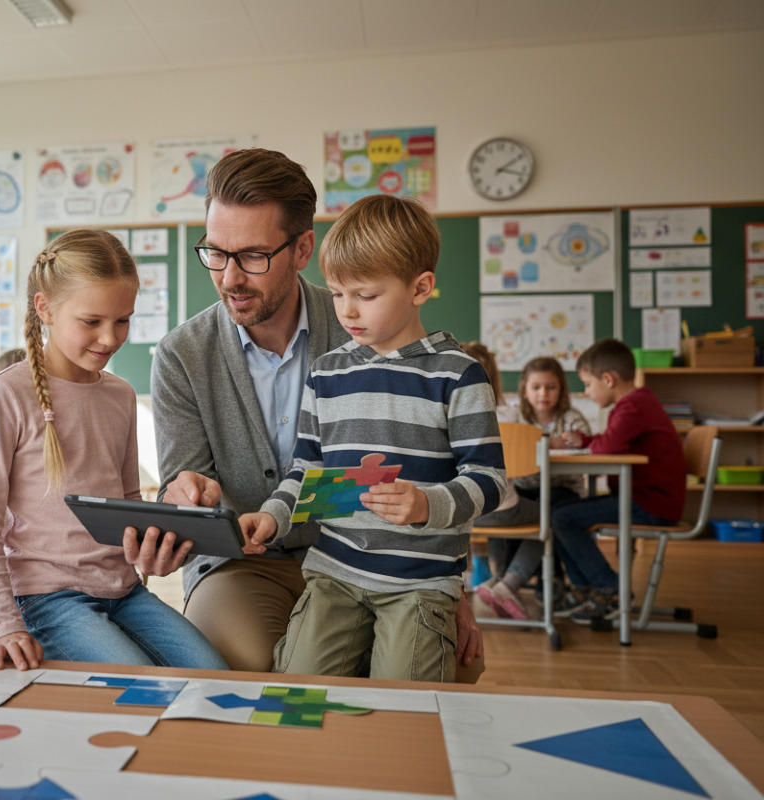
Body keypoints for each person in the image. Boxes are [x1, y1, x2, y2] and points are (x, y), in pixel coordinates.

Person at [133, 147, 486, 678]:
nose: (230, 277)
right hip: (242, 564)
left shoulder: (367, 321)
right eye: (216, 253)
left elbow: (435, 463)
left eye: (253, 255)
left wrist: (446, 581)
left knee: (452, 667)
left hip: (368, 555)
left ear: (302, 249)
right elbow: (183, 485)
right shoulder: (182, 354)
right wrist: (180, 504)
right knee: (242, 664)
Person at [237, 194, 505, 682]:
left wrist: (426, 504)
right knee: (295, 690)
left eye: (365, 295)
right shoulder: (327, 373)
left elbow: (489, 480)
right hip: (334, 573)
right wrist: (273, 516)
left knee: (403, 701)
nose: (347, 311)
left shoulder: (457, 375)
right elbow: (308, 471)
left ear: (420, 288)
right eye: (338, 293)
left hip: (419, 582)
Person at [0, 229, 228, 672]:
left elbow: (127, 503)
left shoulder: (120, 395)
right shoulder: (6, 393)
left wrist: (157, 542)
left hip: (124, 591)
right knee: (139, 683)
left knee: (213, 674)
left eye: (122, 321)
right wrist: (2, 625)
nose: (109, 338)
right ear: (45, 308)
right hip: (46, 598)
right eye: (91, 322)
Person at [550, 338, 686, 623]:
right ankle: (588, 590)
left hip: (650, 505)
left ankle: (608, 589)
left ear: (608, 379)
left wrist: (590, 443)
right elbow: (608, 441)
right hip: (646, 499)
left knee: (562, 518)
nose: (586, 392)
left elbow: (608, 447)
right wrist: (585, 440)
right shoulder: (637, 403)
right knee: (558, 514)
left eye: (588, 384)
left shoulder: (633, 406)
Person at [465, 349, 592, 620]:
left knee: (549, 510)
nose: (543, 393)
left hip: (560, 489)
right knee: (523, 511)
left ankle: (514, 581)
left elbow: (585, 445)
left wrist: (576, 440)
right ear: (524, 389)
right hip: (524, 491)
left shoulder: (571, 418)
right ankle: (504, 581)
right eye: (536, 387)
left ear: (562, 389)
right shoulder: (516, 417)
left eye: (551, 387)